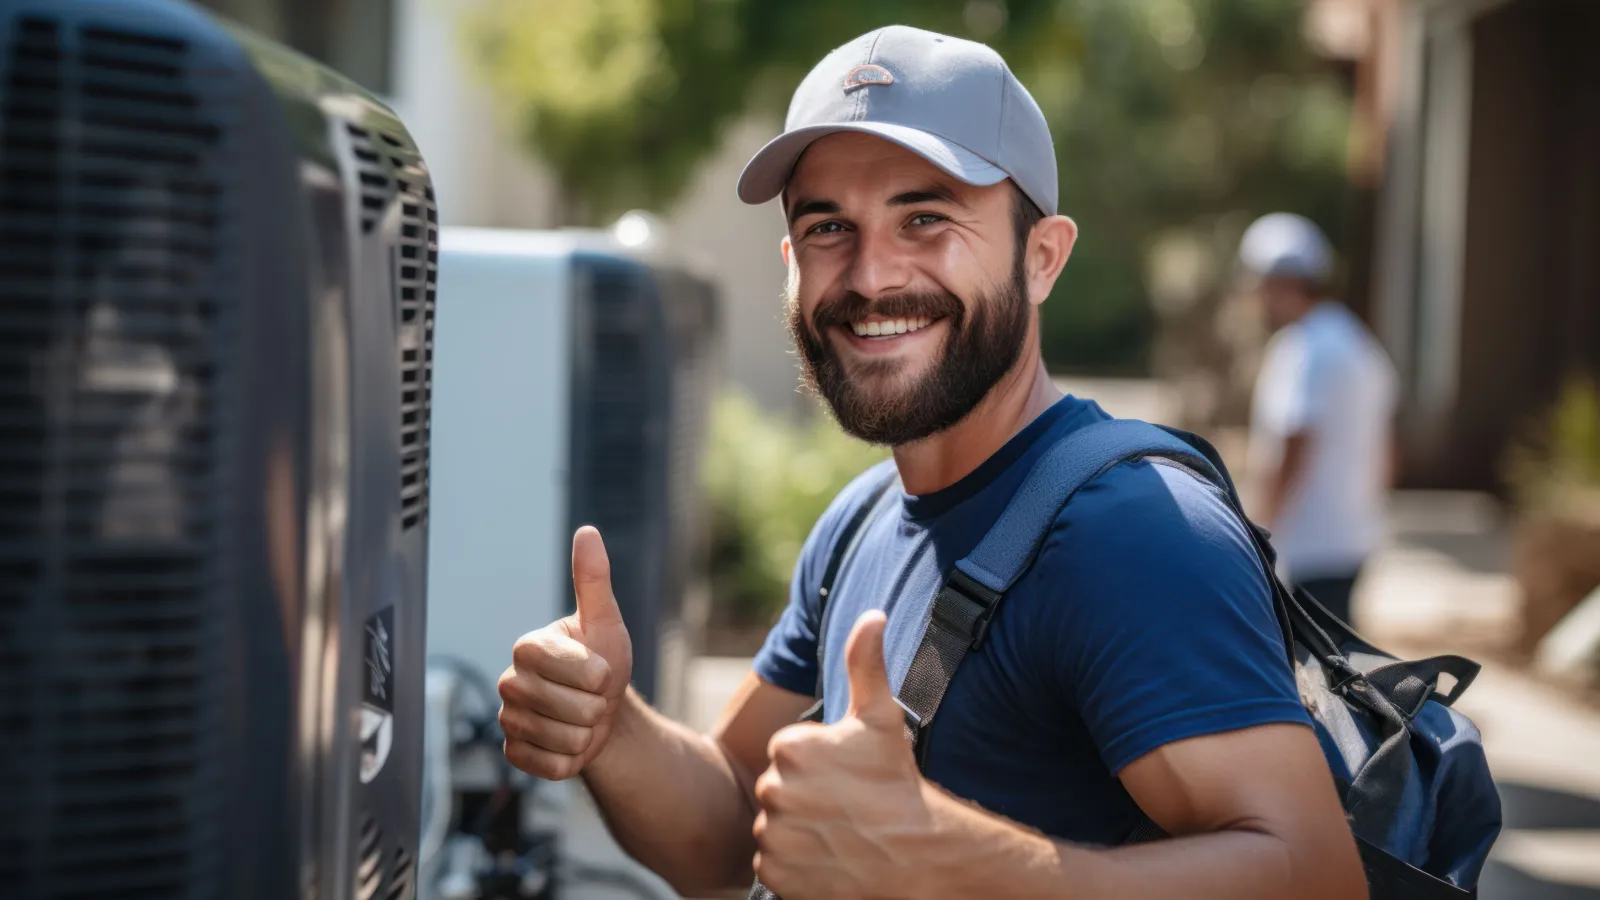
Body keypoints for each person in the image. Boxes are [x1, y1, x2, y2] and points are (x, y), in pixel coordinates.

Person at [499, 26, 1366, 900]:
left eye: (926, 218)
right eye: (829, 227)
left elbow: (1318, 877)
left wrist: (945, 859)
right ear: (792, 265)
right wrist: (612, 727)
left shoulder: (1135, 535)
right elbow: (732, 826)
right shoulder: (861, 521)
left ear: (1042, 258)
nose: (873, 277)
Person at [1239, 213, 1399, 625]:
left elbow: (1295, 445)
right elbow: (1386, 447)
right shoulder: (1359, 343)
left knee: (1311, 679)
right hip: (1351, 537)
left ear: (1282, 284)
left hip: (1307, 545)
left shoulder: (1302, 349)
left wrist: (1258, 533)